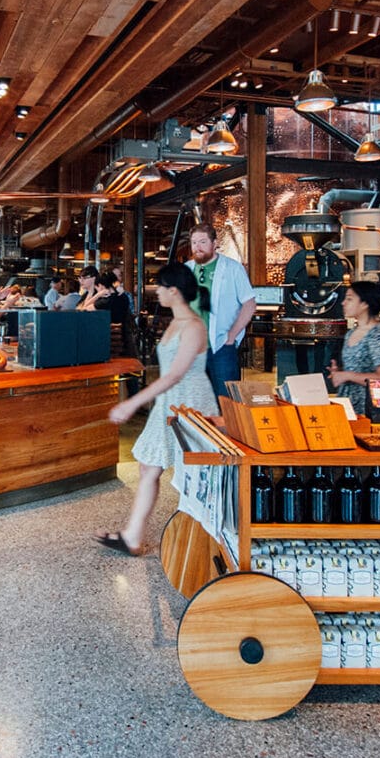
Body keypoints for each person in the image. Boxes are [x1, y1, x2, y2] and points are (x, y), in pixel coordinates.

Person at [96, 262, 216, 556]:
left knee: (196, 475)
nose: (157, 291)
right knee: (149, 466)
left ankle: (207, 538)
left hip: (189, 404)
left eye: (161, 287)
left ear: (173, 291)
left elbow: (175, 374)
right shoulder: (175, 322)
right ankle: (133, 536)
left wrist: (133, 402)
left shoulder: (194, 326)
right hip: (169, 402)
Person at [186, 221, 257, 399]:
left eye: (203, 242)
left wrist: (231, 336)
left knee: (226, 402)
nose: (198, 247)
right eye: (194, 242)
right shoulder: (187, 269)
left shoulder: (233, 268)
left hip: (221, 346)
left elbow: (249, 304)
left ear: (215, 243)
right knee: (197, 402)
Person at [326, 280, 380, 414]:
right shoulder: (351, 333)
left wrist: (347, 375)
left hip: (374, 408)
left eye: (349, 299)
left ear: (364, 304)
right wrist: (339, 372)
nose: (343, 303)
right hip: (351, 406)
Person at [94, 270, 137, 357]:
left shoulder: (103, 301)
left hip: (108, 342)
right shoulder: (124, 296)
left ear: (101, 286)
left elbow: (83, 308)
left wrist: (96, 295)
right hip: (125, 339)